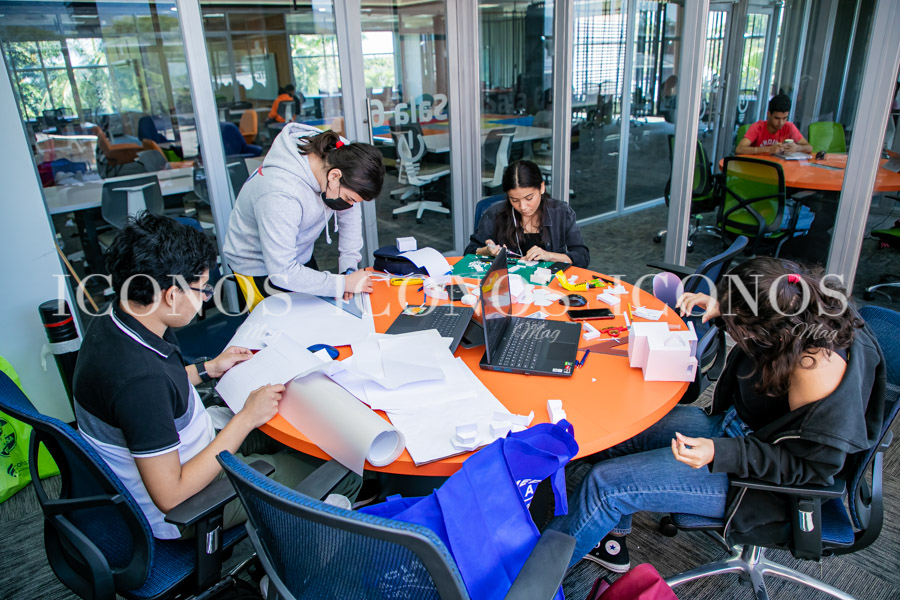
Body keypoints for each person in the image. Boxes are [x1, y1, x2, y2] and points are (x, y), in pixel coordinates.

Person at [547, 257, 885, 572]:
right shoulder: (802, 308)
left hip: (764, 483)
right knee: (619, 429)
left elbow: (810, 469)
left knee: (605, 484)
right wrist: (724, 309)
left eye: (739, 326)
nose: (735, 333)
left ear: (767, 329)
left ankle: (534, 579)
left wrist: (719, 452)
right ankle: (608, 537)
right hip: (741, 430)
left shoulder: (815, 371)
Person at [73, 214, 360, 540]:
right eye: (202, 289)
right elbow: (171, 497)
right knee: (344, 469)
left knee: (310, 432)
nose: (205, 298)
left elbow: (159, 391)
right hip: (191, 505)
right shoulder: (140, 381)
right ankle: (304, 550)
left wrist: (207, 369)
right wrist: (247, 418)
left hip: (193, 444)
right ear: (171, 295)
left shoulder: (120, 318)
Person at [224, 124, 385, 300]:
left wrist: (349, 268)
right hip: (258, 267)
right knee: (280, 316)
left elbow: (349, 217)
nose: (349, 205)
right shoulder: (280, 194)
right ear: (334, 176)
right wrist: (343, 284)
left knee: (317, 308)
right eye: (349, 199)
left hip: (296, 256)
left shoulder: (341, 155)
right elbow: (282, 273)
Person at [464, 159, 590, 268]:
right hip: (509, 284)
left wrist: (549, 256)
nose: (523, 207)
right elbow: (469, 252)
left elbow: (582, 257)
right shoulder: (494, 214)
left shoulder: (561, 213)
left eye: (529, 198)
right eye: (514, 200)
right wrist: (486, 251)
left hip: (550, 284)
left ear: (542, 187)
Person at [736, 94, 813, 155]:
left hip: (778, 166)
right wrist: (769, 149)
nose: (781, 123)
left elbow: (809, 148)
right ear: (769, 114)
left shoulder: (789, 127)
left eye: (784, 118)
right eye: (777, 118)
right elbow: (739, 149)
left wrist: (798, 148)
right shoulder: (758, 127)